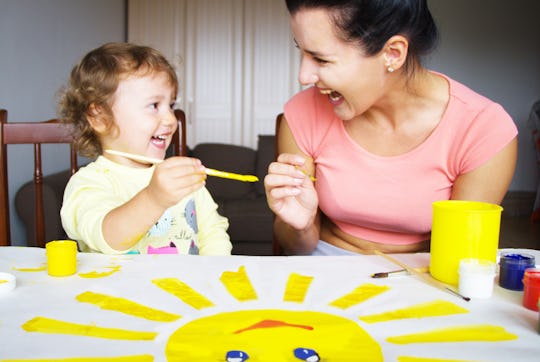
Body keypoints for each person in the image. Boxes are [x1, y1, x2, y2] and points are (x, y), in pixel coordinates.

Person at [264, 0, 518, 255]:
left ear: (393, 54)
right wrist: (301, 227)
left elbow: (461, 260)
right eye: (303, 52)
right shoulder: (302, 114)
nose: (303, 76)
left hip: (426, 278)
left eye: (321, 59)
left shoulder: (483, 130)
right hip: (325, 269)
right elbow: (297, 249)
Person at [59, 42, 232, 255]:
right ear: (100, 117)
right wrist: (154, 198)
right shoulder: (88, 184)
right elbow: (108, 237)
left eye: (171, 105)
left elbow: (213, 232)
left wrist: (213, 274)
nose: (170, 119)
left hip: (187, 288)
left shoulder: (183, 177)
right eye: (154, 106)